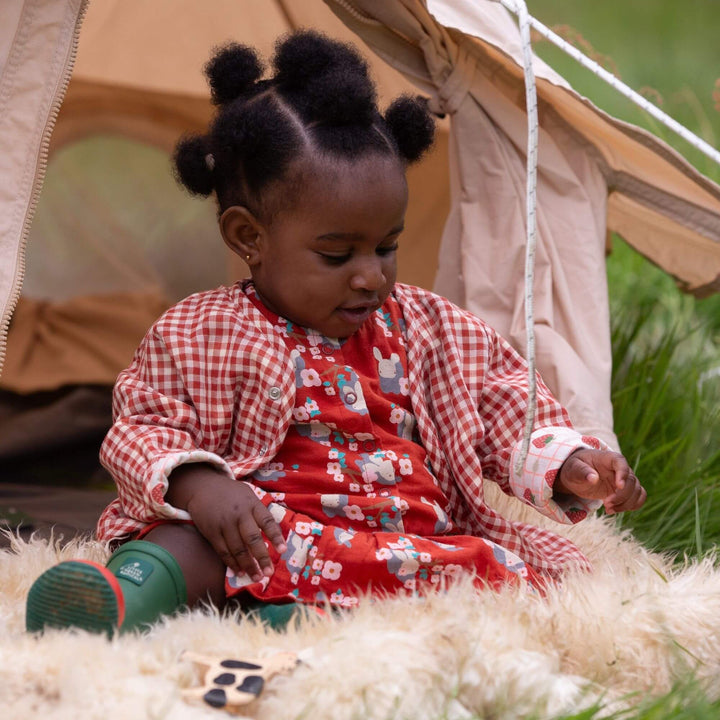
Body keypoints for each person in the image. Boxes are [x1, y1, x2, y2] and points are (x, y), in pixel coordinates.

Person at [26, 31, 646, 636]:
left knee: (491, 570)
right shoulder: (203, 329)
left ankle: (301, 620)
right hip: (260, 534)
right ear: (249, 237)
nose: (370, 275)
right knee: (182, 546)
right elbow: (142, 426)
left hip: (401, 541)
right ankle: (113, 601)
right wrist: (202, 485)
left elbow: (504, 400)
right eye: (336, 255)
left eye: (387, 246)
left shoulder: (429, 326)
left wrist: (570, 462)